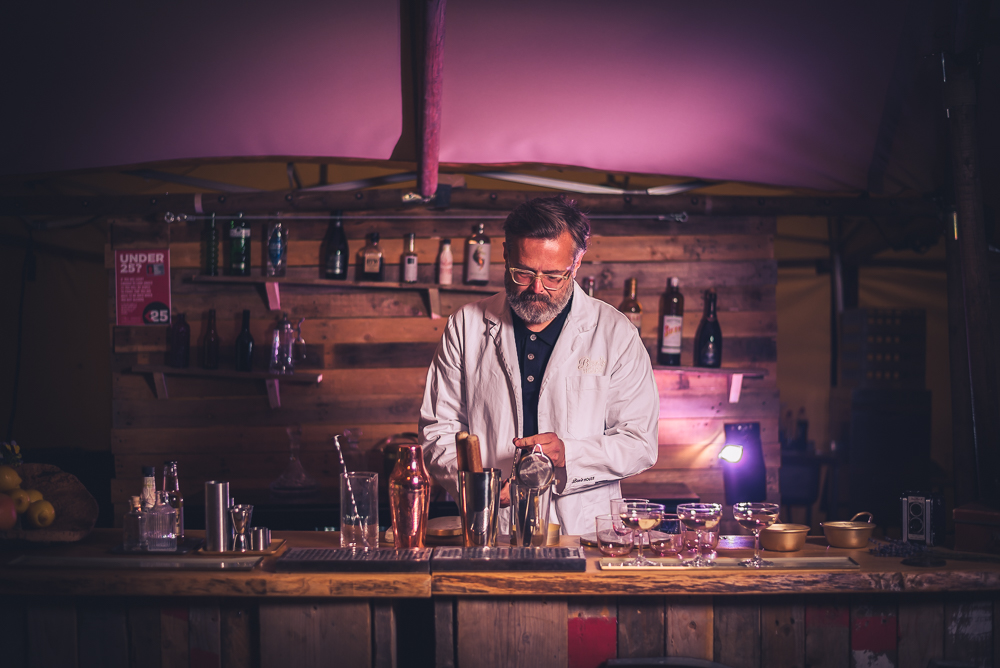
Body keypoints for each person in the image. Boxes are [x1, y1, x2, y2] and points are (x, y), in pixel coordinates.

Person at [419, 196, 659, 535]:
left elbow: (639, 443)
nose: (536, 287)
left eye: (553, 276)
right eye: (523, 272)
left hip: (582, 531)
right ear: (505, 254)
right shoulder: (465, 326)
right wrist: (476, 486)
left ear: (576, 264)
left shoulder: (615, 333)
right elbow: (438, 429)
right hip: (492, 526)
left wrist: (568, 454)